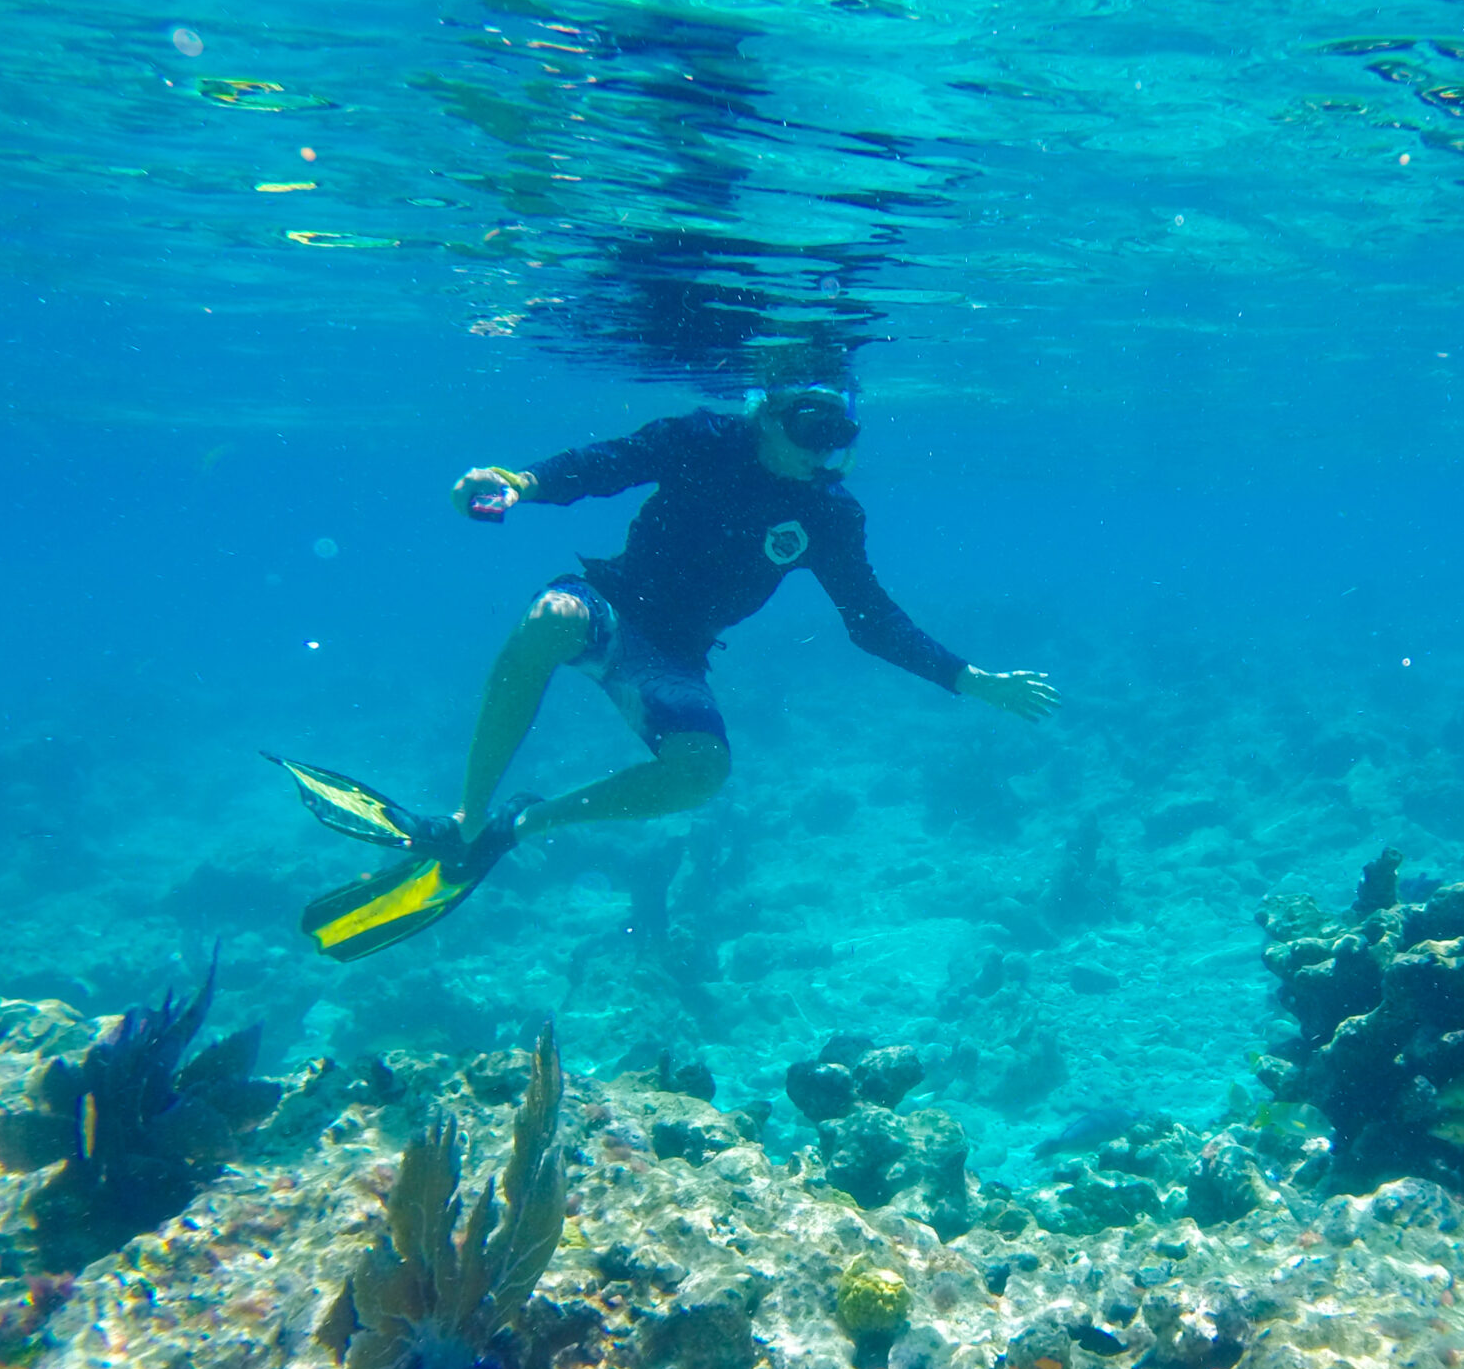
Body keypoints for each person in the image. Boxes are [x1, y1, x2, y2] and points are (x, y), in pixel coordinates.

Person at [272, 371, 1056, 960]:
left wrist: (969, 678)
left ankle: (511, 828)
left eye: (840, 434)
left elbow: (870, 618)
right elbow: (605, 464)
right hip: (610, 606)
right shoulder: (703, 440)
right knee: (550, 620)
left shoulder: (828, 514)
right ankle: (462, 821)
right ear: (769, 412)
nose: (825, 452)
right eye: (810, 426)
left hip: (675, 654)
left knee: (701, 773)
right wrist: (521, 483)